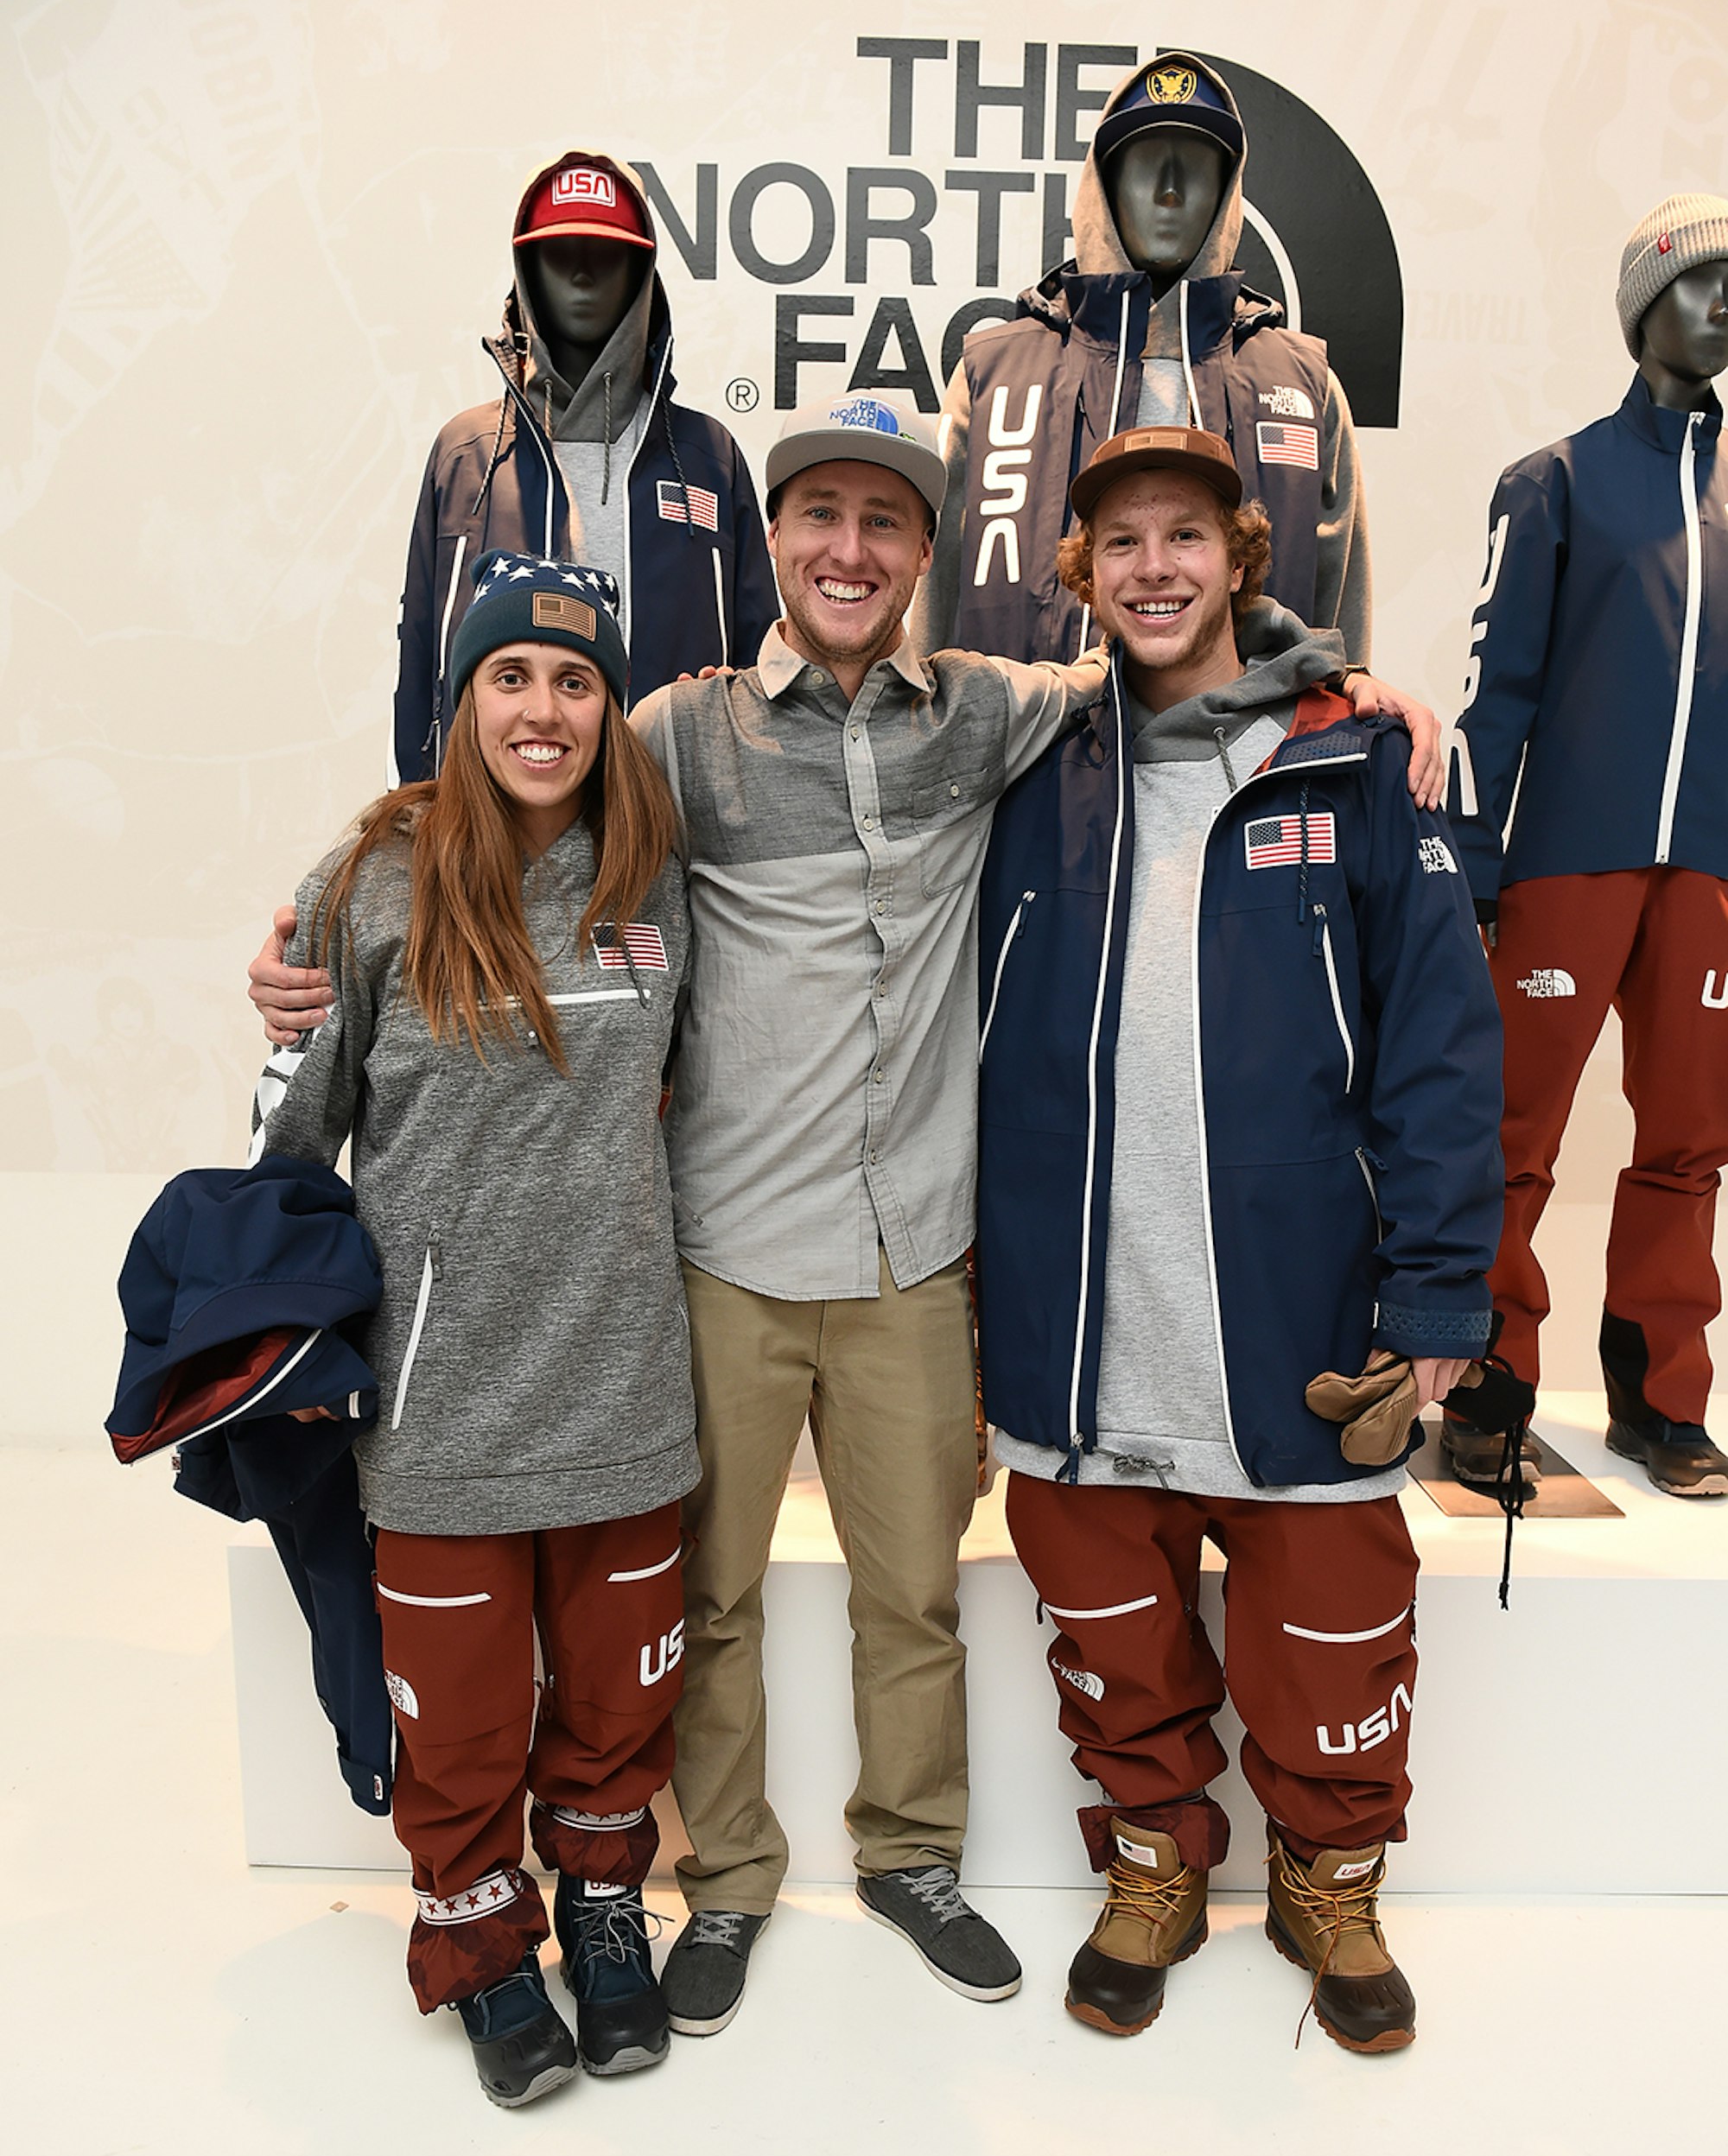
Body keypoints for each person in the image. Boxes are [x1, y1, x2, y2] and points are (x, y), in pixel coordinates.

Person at [253, 395, 1445, 2044]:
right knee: (712, 1607)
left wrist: (1349, 682)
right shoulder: (676, 733)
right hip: (724, 1256)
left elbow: (1180, 653)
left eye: (886, 522)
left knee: (915, 1597)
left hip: (916, 1262)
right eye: (820, 514)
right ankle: (731, 1877)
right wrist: (319, 932)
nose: (849, 549)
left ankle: (912, 1857)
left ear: (926, 553)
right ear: (775, 540)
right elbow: (507, 781)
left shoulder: (996, 710)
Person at [975, 424, 1502, 2054]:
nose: (1155, 569)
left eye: (1186, 536)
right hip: (1084, 1307)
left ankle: (1329, 1877)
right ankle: (1154, 1859)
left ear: (1239, 559)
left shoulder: (1355, 760)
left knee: (1334, 1626)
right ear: (1085, 573)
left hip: (1301, 1307)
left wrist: (1438, 1295)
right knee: (1109, 1624)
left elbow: (1441, 1047)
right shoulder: (1029, 764)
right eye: (1123, 542)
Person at [251, 552, 696, 2108]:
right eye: (510, 676)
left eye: (576, 680)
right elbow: (292, 1145)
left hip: (625, 1381)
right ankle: (479, 1940)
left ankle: (601, 1903)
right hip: (441, 1401)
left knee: (619, 1698)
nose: (543, 708)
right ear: (462, 700)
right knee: (461, 1721)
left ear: (609, 709)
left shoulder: (654, 872)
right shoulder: (369, 883)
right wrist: (292, 1352)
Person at [1443, 193, 1728, 1501]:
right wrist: (1470, 859)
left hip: (1707, 872)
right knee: (1512, 1133)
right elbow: (1494, 689)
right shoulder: (1553, 481)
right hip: (1565, 858)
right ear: (1641, 307)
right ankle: (1488, 1381)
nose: (1721, 306)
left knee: (1689, 1140)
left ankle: (1659, 1396)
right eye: (1697, 282)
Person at [914, 53, 1370, 671]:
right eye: (1145, 165)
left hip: (1246, 732)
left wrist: (1345, 701)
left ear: (1227, 190)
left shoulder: (1300, 385)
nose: (1170, 191)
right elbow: (934, 596)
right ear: (1103, 185)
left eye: (1197, 167)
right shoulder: (995, 376)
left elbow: (1339, 628)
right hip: (1029, 730)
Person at [394, 150, 777, 780]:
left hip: (672, 817)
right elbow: (419, 662)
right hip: (494, 822)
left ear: (641, 273)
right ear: (526, 269)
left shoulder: (708, 458)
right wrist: (417, 810)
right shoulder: (467, 455)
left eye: (606, 254)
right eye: (558, 252)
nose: (581, 273)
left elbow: (762, 669)